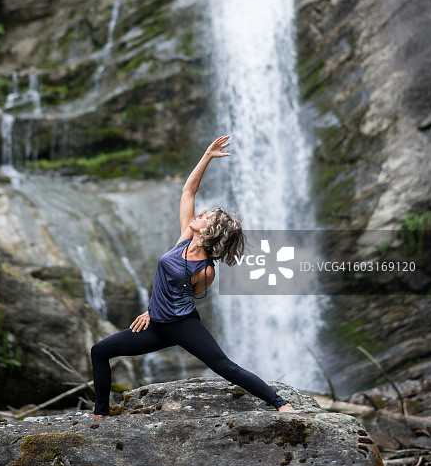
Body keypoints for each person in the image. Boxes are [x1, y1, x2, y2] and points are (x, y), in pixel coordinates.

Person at [90, 135, 296, 417]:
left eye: (207, 216)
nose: (200, 214)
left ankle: (280, 402)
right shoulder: (185, 239)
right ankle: (100, 413)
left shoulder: (206, 270)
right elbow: (188, 191)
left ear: (210, 231)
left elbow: (190, 295)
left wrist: (161, 308)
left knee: (225, 366)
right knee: (100, 351)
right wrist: (207, 157)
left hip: (183, 325)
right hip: (155, 325)